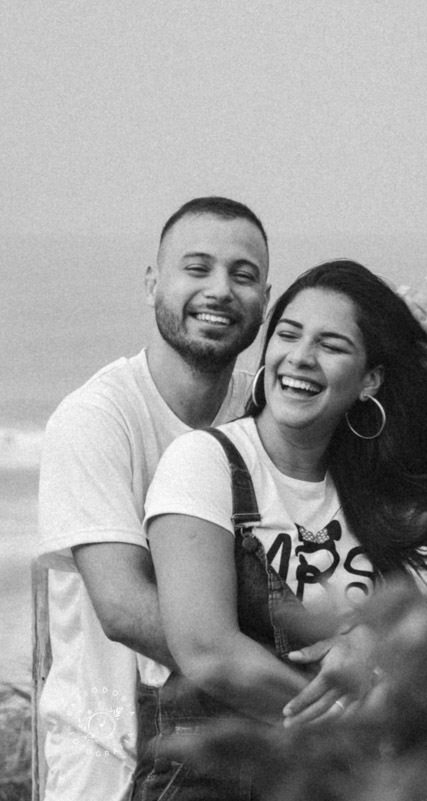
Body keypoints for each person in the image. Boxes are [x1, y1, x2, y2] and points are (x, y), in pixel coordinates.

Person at [133, 260, 427, 799]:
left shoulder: (367, 493)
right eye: (288, 334)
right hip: (216, 781)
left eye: (331, 345)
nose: (300, 357)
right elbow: (207, 652)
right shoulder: (206, 462)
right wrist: (358, 722)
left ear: (368, 379)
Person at [35, 196, 271, 801]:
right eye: (197, 268)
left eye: (243, 275)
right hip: (108, 758)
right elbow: (123, 608)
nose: (220, 289)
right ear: (152, 283)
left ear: (265, 301)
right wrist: (294, 684)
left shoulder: (267, 411)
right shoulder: (97, 418)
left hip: (239, 758)